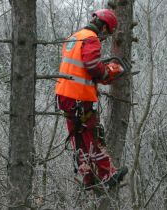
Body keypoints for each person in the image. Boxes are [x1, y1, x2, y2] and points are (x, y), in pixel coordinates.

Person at [55, 9, 128, 189]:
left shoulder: (75, 37)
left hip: (65, 95)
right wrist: (109, 71)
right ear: (103, 27)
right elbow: (92, 66)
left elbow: (79, 68)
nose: (105, 38)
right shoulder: (91, 38)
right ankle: (107, 174)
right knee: (92, 134)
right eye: (107, 33)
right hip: (79, 97)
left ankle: (87, 177)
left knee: (78, 137)